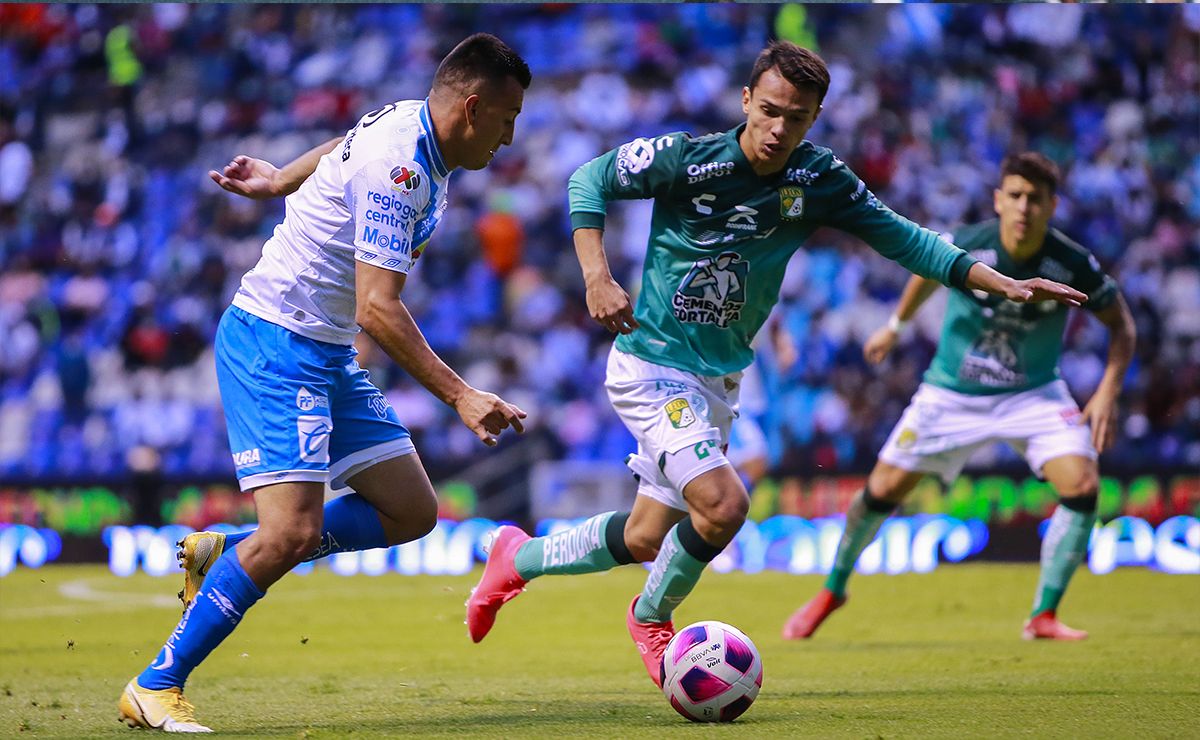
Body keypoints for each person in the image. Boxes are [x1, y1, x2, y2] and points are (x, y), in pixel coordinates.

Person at [464, 42, 1085, 689]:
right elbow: (588, 178)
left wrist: (1002, 283)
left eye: (795, 117)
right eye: (768, 111)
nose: (778, 129)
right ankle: (651, 619)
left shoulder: (818, 181)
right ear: (745, 103)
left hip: (718, 382)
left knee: (649, 538)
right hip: (652, 365)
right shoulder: (688, 159)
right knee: (726, 505)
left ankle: (518, 556)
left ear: (813, 119)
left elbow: (906, 239)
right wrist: (597, 274)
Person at [118, 34, 532, 733]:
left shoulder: (409, 125)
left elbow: (342, 143)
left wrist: (282, 180)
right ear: (472, 106)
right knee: (289, 534)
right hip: (276, 344)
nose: (511, 135)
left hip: (325, 350)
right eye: (508, 116)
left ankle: (225, 551)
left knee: (411, 510)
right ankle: (155, 684)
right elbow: (379, 306)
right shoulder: (402, 167)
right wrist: (461, 394)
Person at [783, 152, 1137, 642]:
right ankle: (832, 589)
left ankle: (1043, 615)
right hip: (950, 395)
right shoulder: (972, 245)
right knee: (880, 493)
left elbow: (1122, 326)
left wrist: (1107, 391)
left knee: (1081, 486)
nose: (1023, 207)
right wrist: (895, 327)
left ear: (1052, 205)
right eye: (1014, 195)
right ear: (998, 200)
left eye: (1035, 199)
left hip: (1032, 394)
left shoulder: (1071, 262)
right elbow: (927, 271)